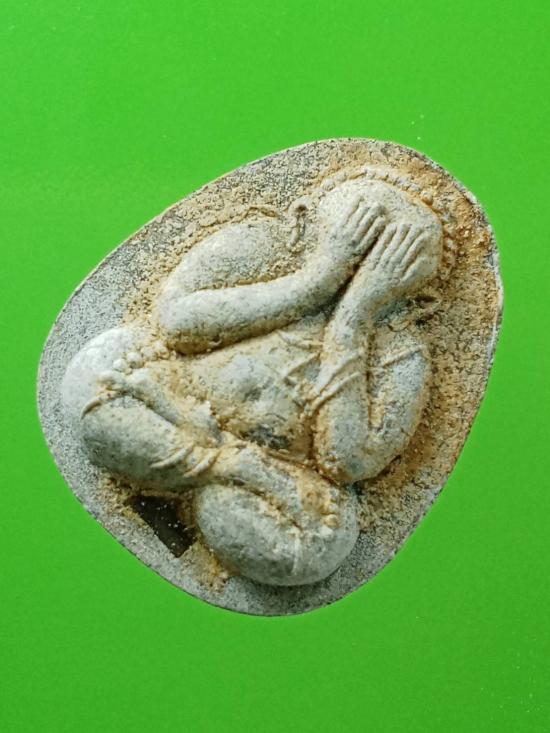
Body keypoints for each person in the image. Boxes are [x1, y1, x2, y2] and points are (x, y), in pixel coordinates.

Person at [62, 182, 441, 586]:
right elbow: (174, 322)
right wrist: (315, 280)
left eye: (397, 256)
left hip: (277, 470)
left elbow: (346, 461)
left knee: (317, 551)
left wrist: (352, 320)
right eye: (359, 228)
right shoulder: (263, 244)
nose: (366, 261)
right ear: (303, 219)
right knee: (95, 372)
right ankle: (230, 465)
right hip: (169, 401)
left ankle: (215, 470)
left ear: (423, 297)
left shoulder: (402, 350)